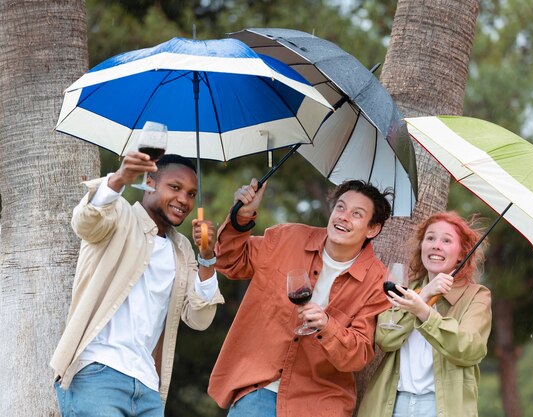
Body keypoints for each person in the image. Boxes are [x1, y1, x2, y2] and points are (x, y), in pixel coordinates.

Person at [50, 151, 224, 416]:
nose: (183, 200)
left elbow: (199, 319)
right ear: (150, 183)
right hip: (98, 373)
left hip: (148, 388)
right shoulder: (118, 214)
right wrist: (119, 179)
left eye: (191, 194)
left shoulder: (183, 250)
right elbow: (84, 223)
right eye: (175, 187)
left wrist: (207, 257)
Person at [208, 178, 394, 417]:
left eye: (357, 214)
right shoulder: (288, 238)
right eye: (340, 207)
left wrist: (327, 326)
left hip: (318, 405)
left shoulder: (377, 281)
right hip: (257, 390)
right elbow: (230, 262)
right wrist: (242, 216)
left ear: (372, 229)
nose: (343, 217)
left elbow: (358, 355)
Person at [357, 211, 492, 417]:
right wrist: (424, 294)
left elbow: (470, 349)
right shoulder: (405, 287)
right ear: (422, 246)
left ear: (461, 255)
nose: (436, 245)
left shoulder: (476, 296)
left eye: (447, 240)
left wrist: (424, 312)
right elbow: (385, 338)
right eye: (430, 238)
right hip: (393, 404)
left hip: (440, 407)